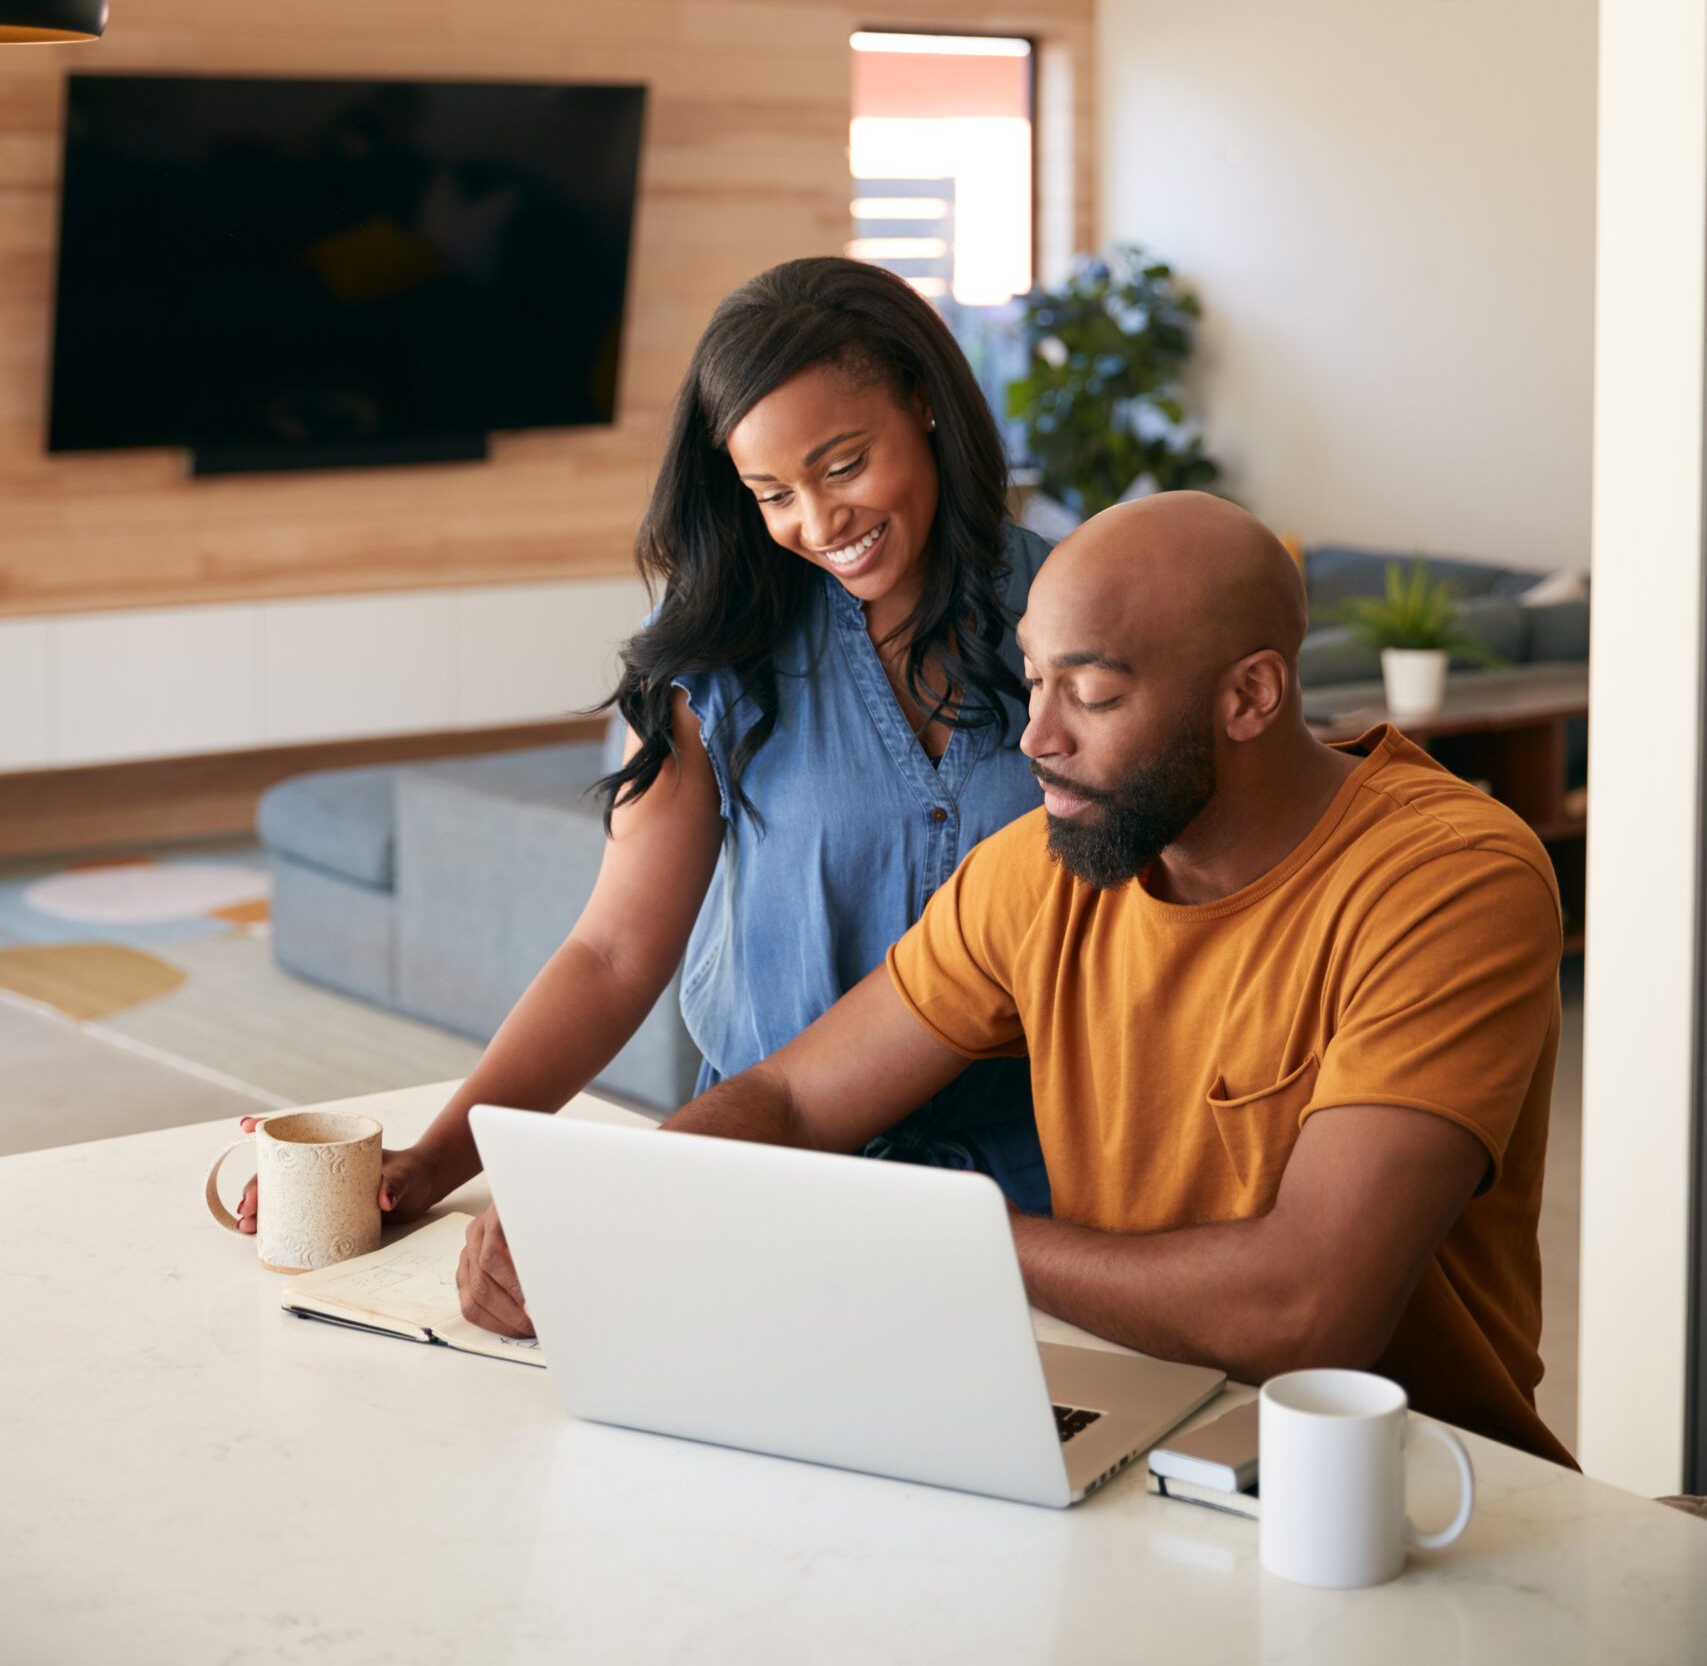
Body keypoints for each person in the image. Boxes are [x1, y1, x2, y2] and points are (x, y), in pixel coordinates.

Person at [498, 491, 1569, 1466]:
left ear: (1250, 696)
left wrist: (949, 1235)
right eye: (1033, 676)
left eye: (1093, 694)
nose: (1037, 736)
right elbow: (791, 1095)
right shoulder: (1041, 869)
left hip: (1415, 1496)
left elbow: (1310, 1307)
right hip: (1155, 1443)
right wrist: (594, 1217)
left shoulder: (1449, 882)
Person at [240, 257, 1054, 1267]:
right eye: (772, 492)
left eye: (843, 466)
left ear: (924, 402)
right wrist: (433, 1160)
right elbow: (616, 950)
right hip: (763, 1176)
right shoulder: (718, 645)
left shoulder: (1073, 615)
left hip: (1047, 1193)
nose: (818, 523)